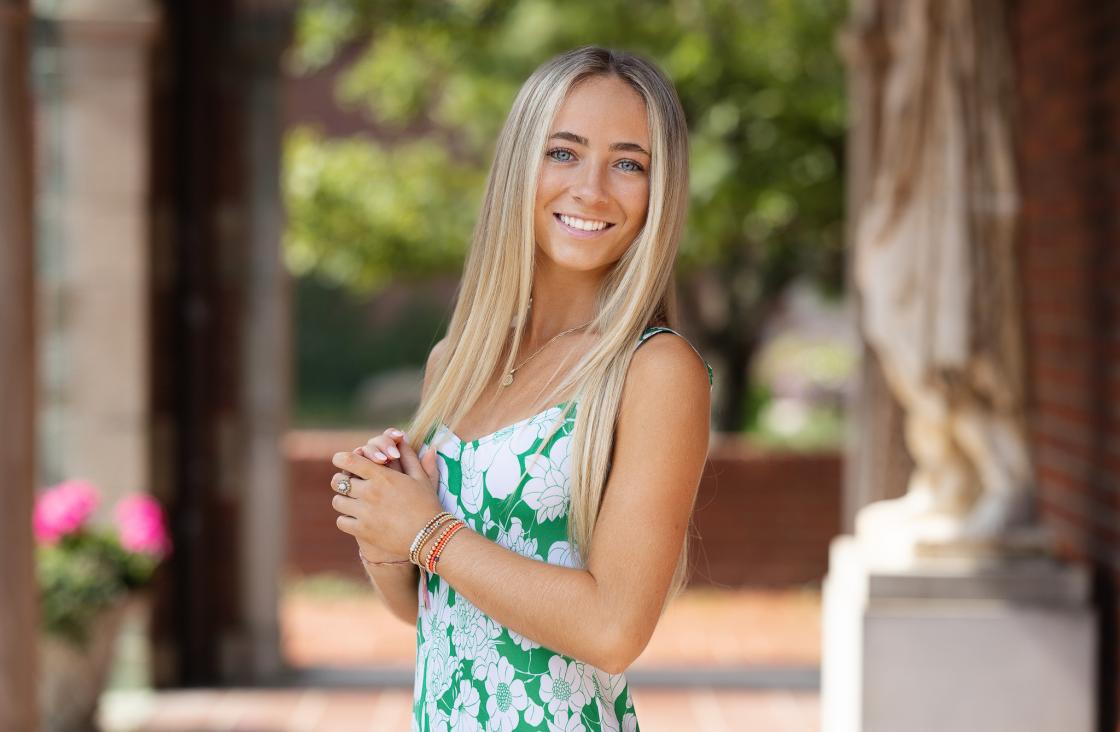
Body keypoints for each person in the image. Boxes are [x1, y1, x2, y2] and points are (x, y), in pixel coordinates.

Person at [328, 45, 714, 732]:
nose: (591, 190)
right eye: (563, 152)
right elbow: (434, 610)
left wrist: (428, 530)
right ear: (519, 166)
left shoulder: (654, 371)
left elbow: (614, 629)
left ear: (661, 191)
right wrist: (385, 534)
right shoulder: (457, 361)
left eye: (629, 163)